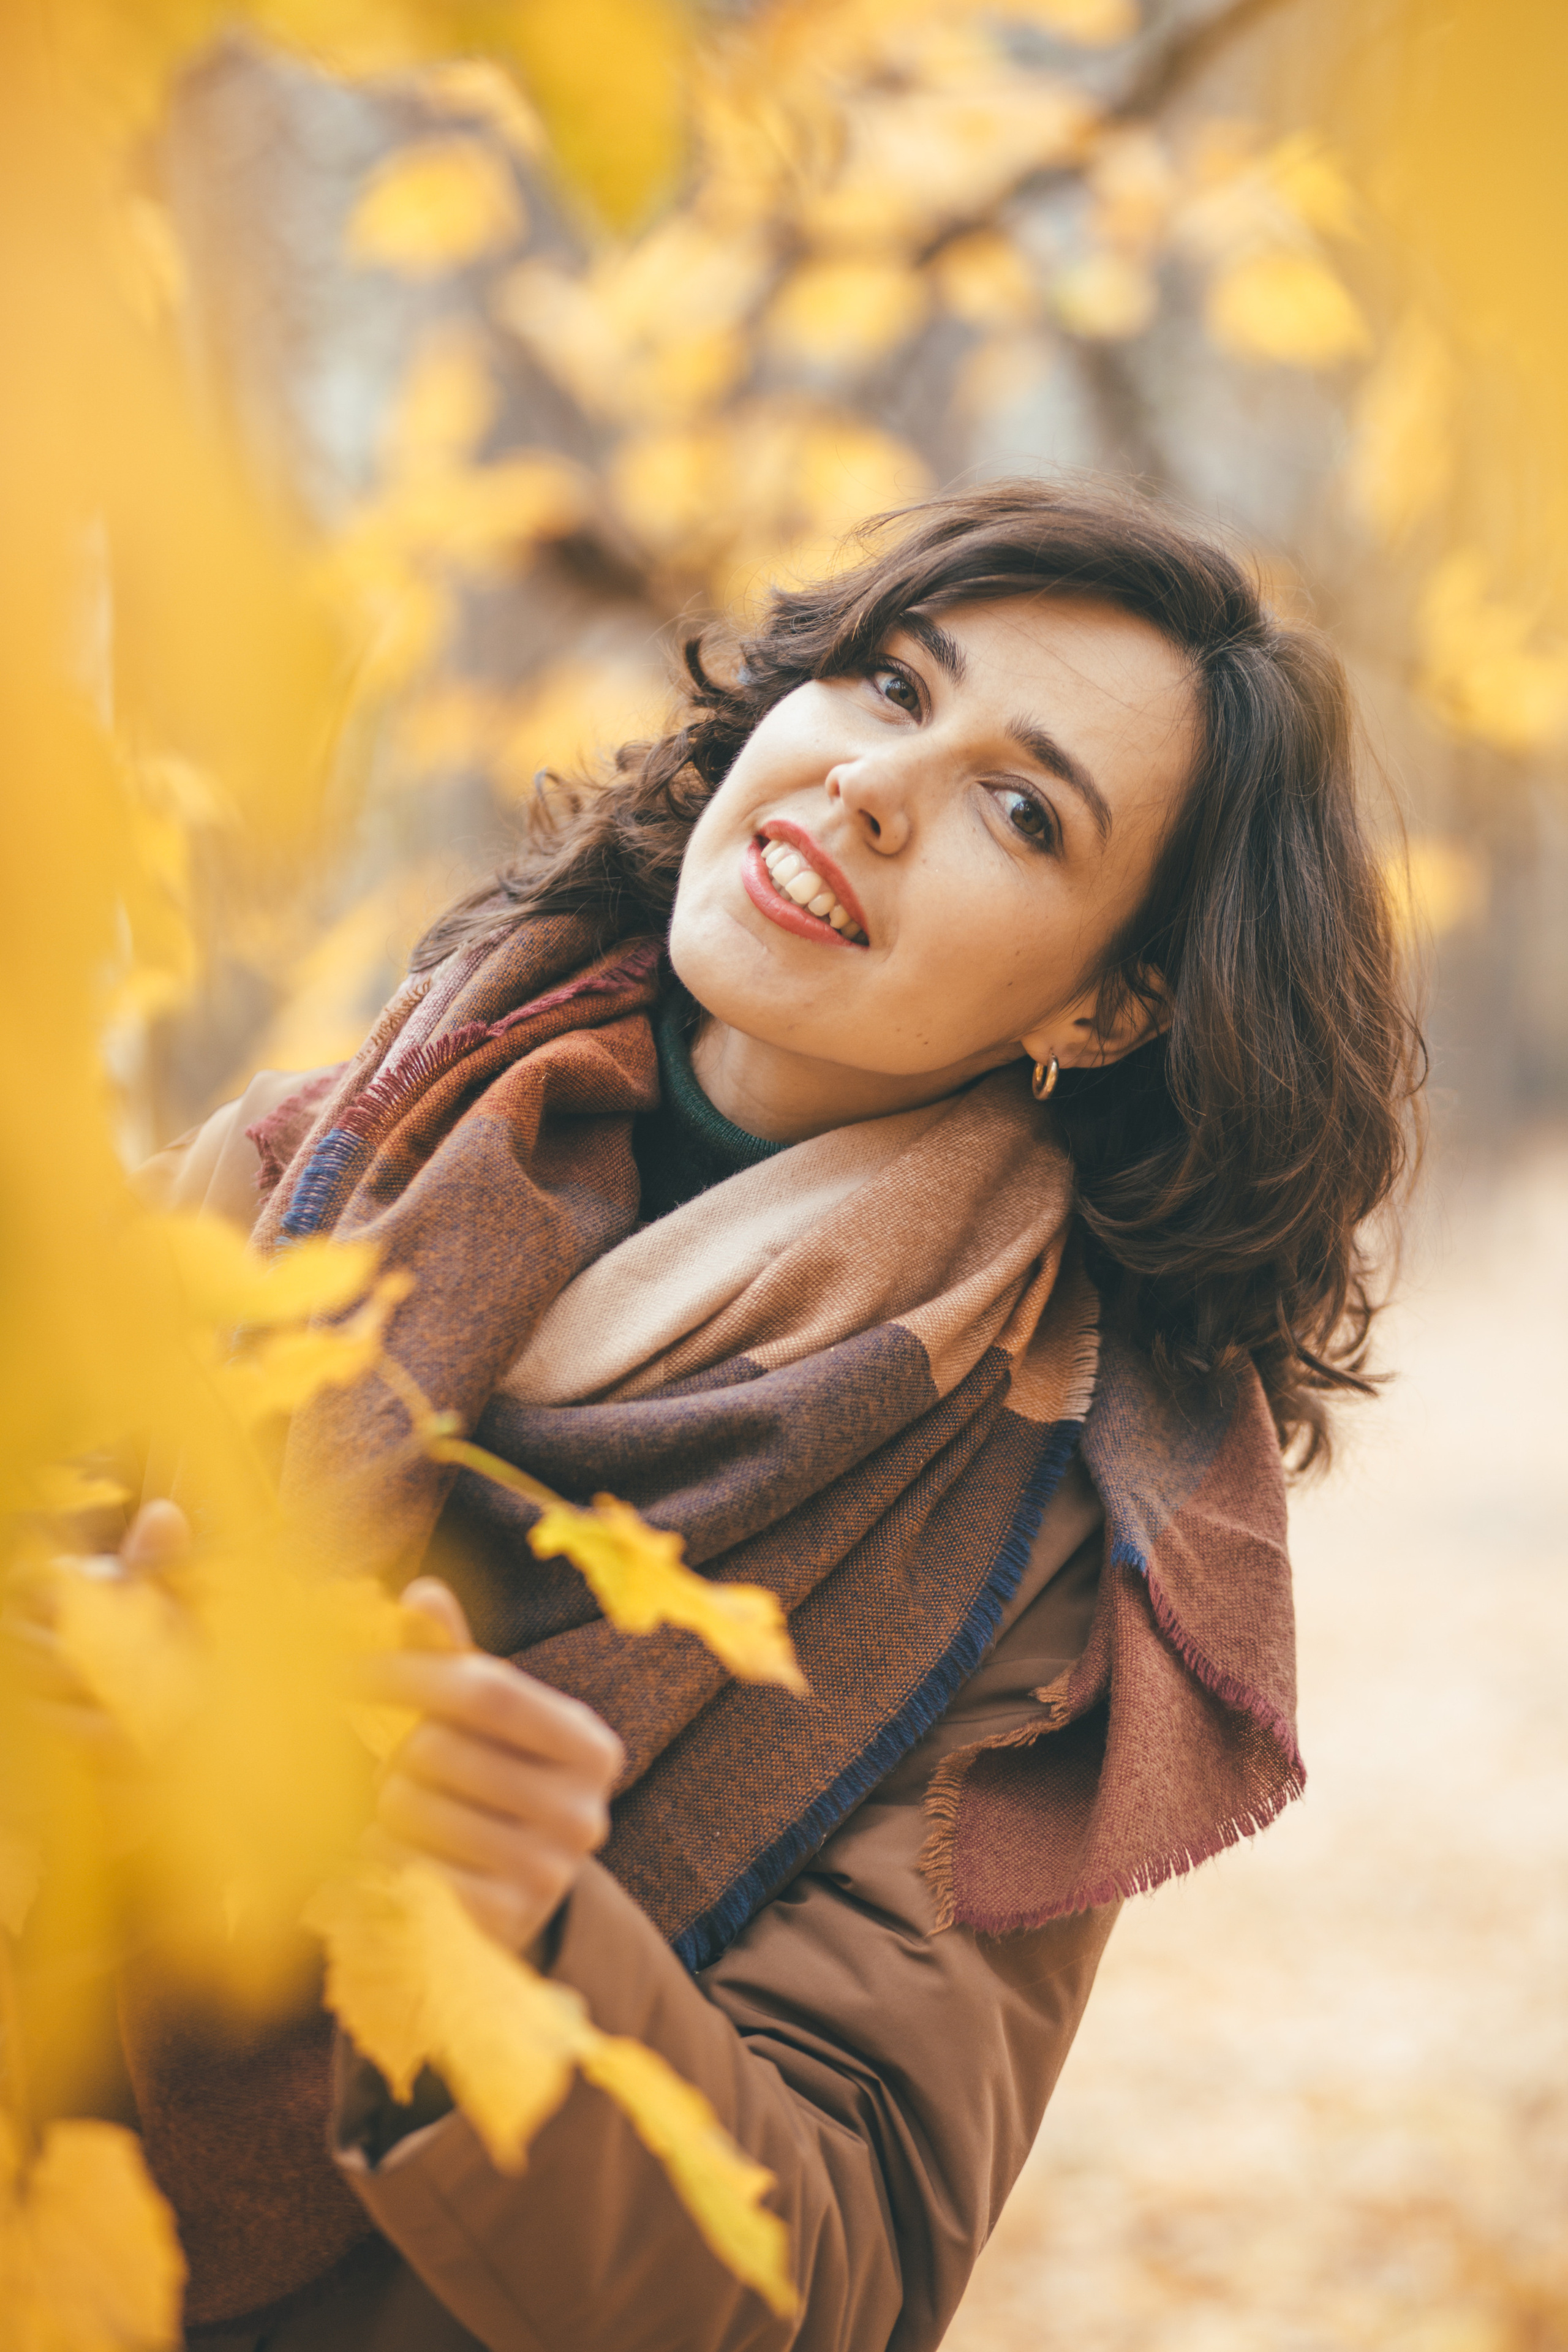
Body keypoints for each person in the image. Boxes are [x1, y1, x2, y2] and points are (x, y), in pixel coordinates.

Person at [96, 482, 1423, 2349]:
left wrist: (523, 1937)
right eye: (892, 686)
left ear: (1108, 1010)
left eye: (1023, 811)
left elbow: (834, 2285)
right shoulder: (303, 1166)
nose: (877, 787)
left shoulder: (1035, 1547)